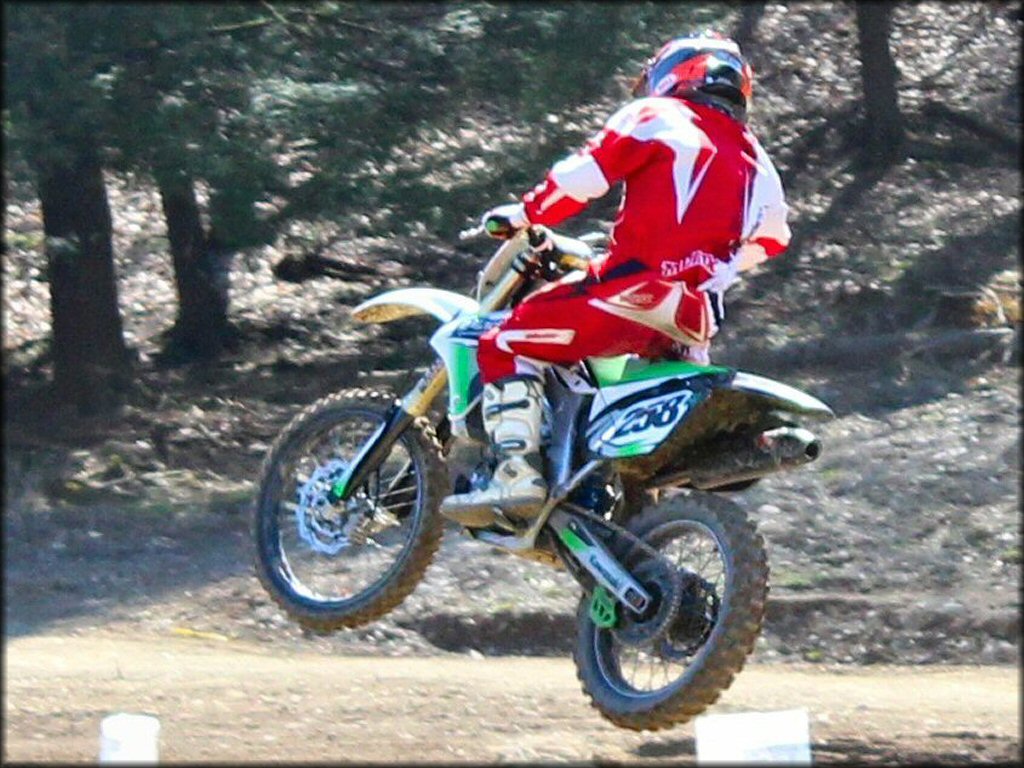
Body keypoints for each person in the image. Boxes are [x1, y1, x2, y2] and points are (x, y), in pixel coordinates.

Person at [440, 31, 791, 524]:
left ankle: (516, 474)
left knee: (503, 343)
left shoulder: (656, 116)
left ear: (675, 71)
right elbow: (774, 239)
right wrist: (710, 263)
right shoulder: (755, 156)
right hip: (692, 318)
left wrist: (524, 214)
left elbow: (582, 177)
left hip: (628, 294)